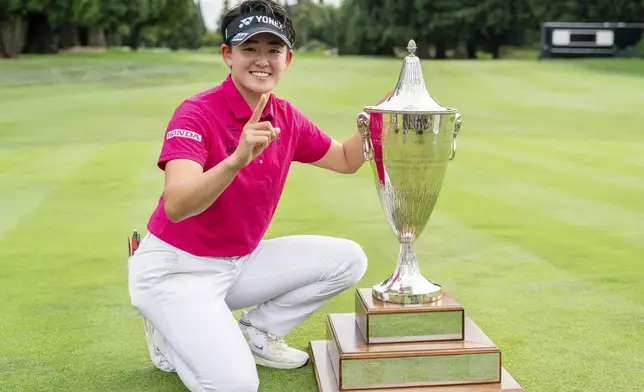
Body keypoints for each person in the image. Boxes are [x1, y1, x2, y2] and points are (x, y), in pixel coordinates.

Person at [126, 0, 389, 391]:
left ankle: (258, 333)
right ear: (227, 55)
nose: (262, 59)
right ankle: (169, 332)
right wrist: (236, 159)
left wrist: (386, 112)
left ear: (288, 59)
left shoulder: (286, 117)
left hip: (237, 265)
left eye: (273, 49)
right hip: (176, 271)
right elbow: (177, 205)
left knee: (348, 259)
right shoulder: (196, 113)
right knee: (236, 386)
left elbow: (347, 159)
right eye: (250, 48)